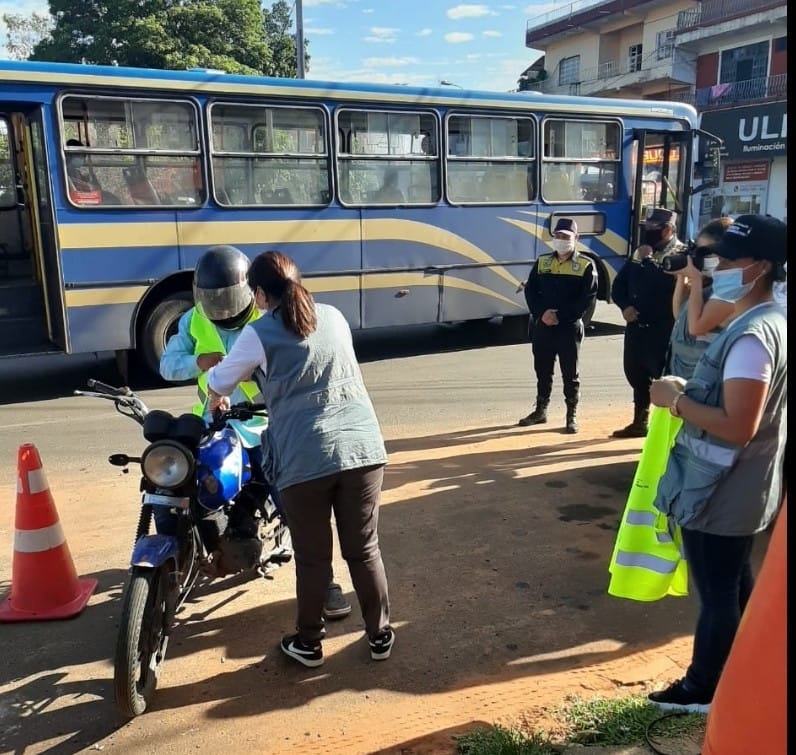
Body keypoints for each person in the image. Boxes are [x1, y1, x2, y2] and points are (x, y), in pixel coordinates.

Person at [205, 250, 393, 668]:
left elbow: (220, 378)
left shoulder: (258, 333)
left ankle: (309, 643)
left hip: (305, 458)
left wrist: (218, 394)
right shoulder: (334, 317)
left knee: (312, 557)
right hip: (363, 449)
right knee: (364, 548)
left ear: (259, 294)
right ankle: (380, 635)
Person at [160, 245, 352, 620]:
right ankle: (178, 560)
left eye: (227, 297)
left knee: (291, 498)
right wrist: (197, 361)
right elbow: (168, 364)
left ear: (249, 291)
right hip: (216, 423)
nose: (220, 306)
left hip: (264, 423)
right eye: (212, 298)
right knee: (177, 482)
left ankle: (326, 582)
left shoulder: (268, 317)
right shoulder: (194, 320)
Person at [646, 214, 787, 712]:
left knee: (717, 594)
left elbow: (738, 425)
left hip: (721, 489)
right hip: (738, 486)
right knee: (733, 583)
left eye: (729, 260)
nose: (718, 267)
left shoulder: (752, 335)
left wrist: (675, 401)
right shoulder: (769, 321)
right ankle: (742, 670)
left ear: (761, 266)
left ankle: (701, 688)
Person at [518, 218, 597, 434]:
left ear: (576, 238)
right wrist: (541, 314)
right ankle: (540, 410)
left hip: (568, 327)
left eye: (566, 236)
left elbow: (587, 298)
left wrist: (560, 316)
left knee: (570, 372)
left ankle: (571, 415)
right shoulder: (542, 262)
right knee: (542, 370)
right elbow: (531, 291)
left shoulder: (585, 265)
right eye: (558, 236)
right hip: (543, 325)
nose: (561, 240)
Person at [611, 208, 685, 437]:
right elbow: (620, 285)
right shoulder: (640, 252)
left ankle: (668, 428)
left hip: (662, 329)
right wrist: (625, 306)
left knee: (665, 379)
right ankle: (639, 421)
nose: (648, 233)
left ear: (668, 230)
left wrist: (648, 260)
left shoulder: (679, 254)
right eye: (646, 228)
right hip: (636, 327)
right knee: (636, 374)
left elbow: (666, 285)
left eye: (653, 229)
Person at [667, 217, 734, 380]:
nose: (701, 257)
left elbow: (695, 326)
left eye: (706, 252)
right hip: (681, 373)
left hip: (704, 379)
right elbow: (679, 315)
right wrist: (682, 276)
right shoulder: (703, 285)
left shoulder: (728, 292)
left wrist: (695, 279)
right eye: (698, 251)